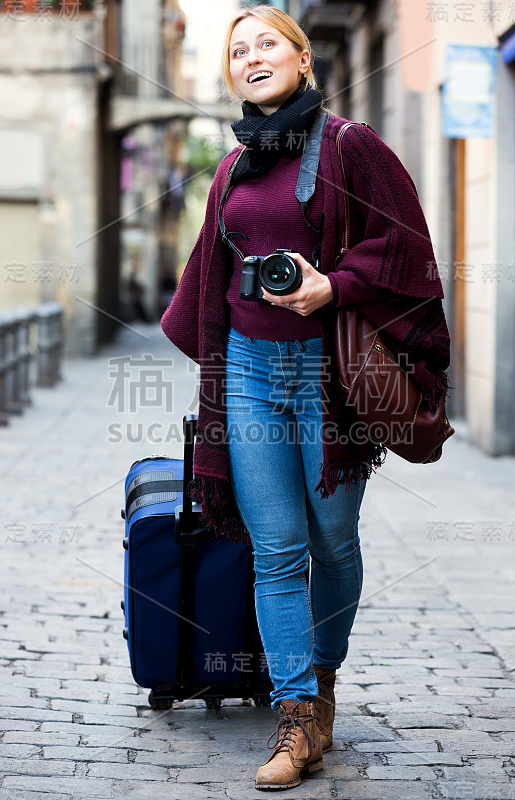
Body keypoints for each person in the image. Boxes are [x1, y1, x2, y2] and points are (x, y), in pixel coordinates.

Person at [161, 5, 450, 791]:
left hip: (329, 378)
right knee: (278, 550)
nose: (251, 57)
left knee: (331, 542)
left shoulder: (351, 146)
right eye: (238, 50)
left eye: (265, 45)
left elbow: (406, 248)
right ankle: (294, 719)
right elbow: (212, 273)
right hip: (251, 373)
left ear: (300, 58)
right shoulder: (230, 168)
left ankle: (321, 682)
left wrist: (334, 285)